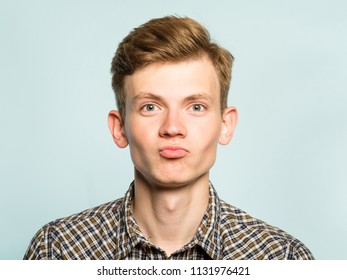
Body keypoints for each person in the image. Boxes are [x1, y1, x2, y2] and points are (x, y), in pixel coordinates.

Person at [24, 16, 314, 260]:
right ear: (119, 127)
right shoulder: (57, 251)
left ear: (225, 125)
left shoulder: (283, 258)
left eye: (196, 107)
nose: (173, 127)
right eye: (150, 107)